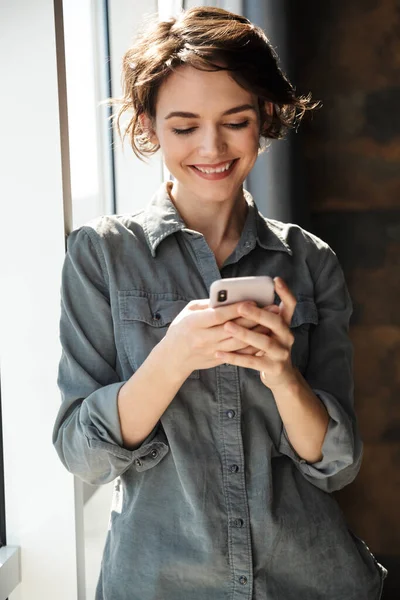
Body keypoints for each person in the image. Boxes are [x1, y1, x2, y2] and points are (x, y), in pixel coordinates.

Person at [53, 6, 387, 600]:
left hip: (309, 580)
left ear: (266, 117)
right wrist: (174, 355)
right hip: (158, 583)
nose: (211, 147)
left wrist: (283, 375)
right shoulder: (100, 255)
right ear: (148, 125)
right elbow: (82, 455)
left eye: (235, 121)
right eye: (184, 127)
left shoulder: (310, 261)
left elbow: (335, 465)